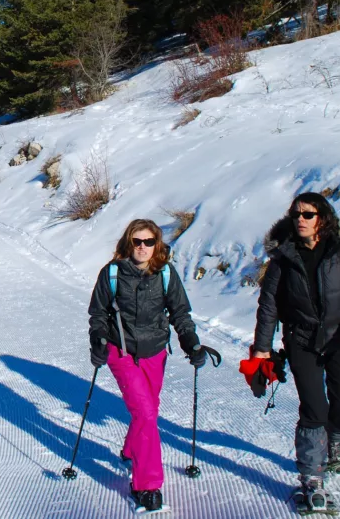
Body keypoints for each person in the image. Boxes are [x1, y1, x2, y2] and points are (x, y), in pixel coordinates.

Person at [252, 192, 340, 513]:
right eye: (297, 214)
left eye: (308, 214)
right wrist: (261, 350)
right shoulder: (282, 259)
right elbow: (268, 307)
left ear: (322, 219)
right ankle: (312, 477)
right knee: (314, 409)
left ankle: (337, 441)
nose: (301, 219)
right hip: (302, 341)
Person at [88, 219, 210, 513]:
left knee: (148, 410)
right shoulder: (113, 273)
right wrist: (99, 340)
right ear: (128, 243)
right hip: (123, 351)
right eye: (137, 241)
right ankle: (147, 486)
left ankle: (131, 450)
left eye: (148, 242)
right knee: (145, 413)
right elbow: (98, 313)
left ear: (157, 244)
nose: (142, 247)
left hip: (155, 351)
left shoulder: (165, 273)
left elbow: (180, 312)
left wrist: (191, 341)